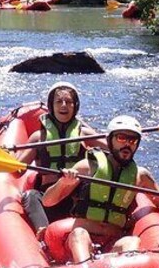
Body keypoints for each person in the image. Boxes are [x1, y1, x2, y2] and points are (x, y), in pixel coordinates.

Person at [40, 115, 159, 263]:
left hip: (112, 243)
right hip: (82, 238)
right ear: (109, 140)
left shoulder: (141, 176)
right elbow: (47, 201)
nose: (127, 144)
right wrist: (64, 182)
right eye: (121, 138)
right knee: (79, 234)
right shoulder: (87, 167)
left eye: (132, 140)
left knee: (131, 242)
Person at [16, 82, 106, 235]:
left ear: (75, 106)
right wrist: (10, 156)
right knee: (31, 196)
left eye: (69, 102)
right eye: (59, 101)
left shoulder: (84, 134)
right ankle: (43, 231)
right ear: (51, 105)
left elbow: (114, 149)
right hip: (48, 197)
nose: (64, 105)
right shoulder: (39, 137)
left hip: (76, 198)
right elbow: (17, 170)